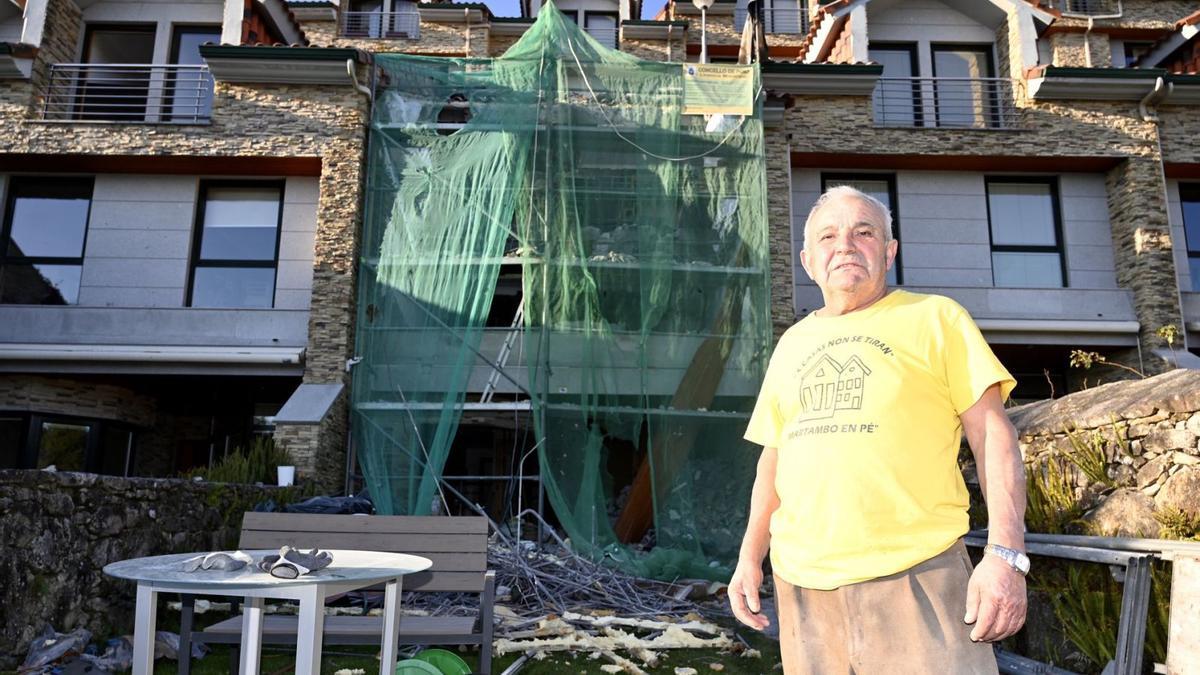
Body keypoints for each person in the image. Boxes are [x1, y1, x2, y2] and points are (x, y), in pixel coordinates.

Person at [728, 185, 1028, 674]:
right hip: (803, 591)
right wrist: (749, 558)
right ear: (807, 261)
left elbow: (993, 435)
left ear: (889, 251)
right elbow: (774, 459)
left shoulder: (937, 319)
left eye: (863, 232)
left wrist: (1006, 555)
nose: (844, 244)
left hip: (918, 578)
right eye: (828, 236)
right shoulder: (792, 343)